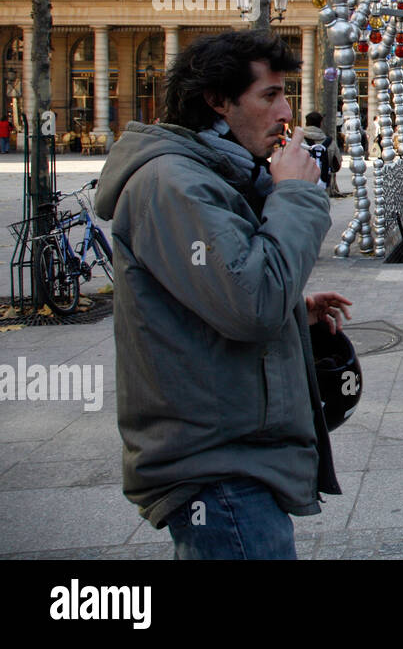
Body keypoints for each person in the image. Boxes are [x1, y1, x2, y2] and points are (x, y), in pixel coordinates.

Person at [94, 29, 353, 560]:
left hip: (234, 458)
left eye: (286, 94)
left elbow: (218, 293)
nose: (287, 113)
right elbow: (251, 302)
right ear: (217, 101)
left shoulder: (208, 176)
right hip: (217, 470)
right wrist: (297, 196)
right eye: (270, 95)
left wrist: (291, 311)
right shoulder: (175, 183)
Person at [303, 111, 343, 197]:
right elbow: (336, 166)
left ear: (306, 123)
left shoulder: (297, 141)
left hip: (302, 188)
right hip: (323, 189)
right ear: (320, 123)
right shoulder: (330, 142)